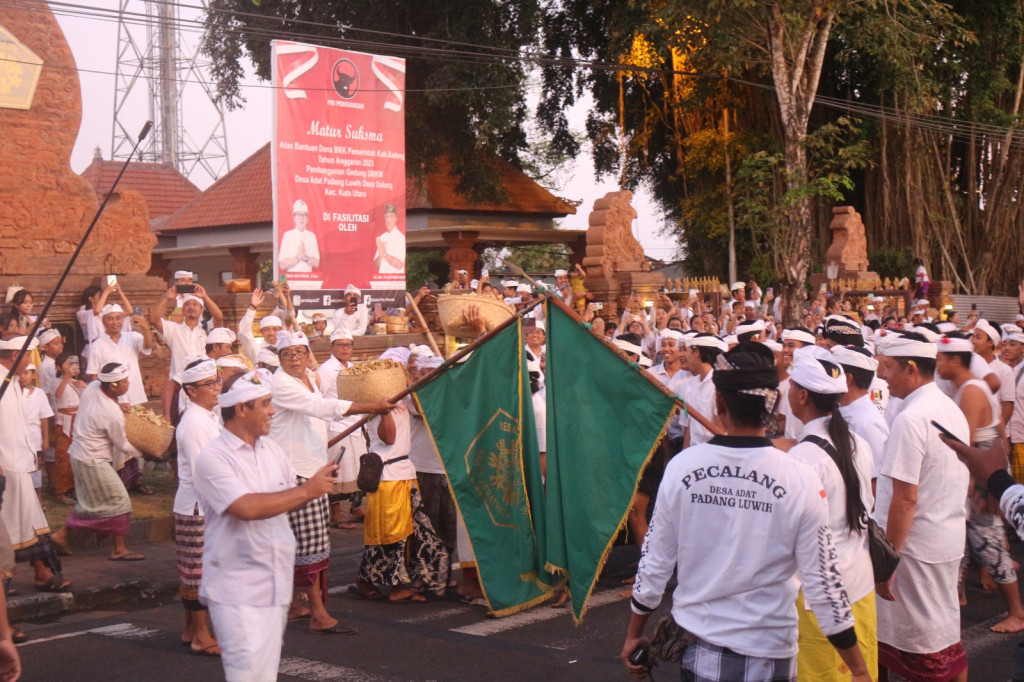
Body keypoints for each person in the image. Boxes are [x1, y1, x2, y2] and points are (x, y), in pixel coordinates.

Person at [622, 342, 871, 682]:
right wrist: (858, 667)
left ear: (719, 401)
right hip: (771, 652)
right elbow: (824, 582)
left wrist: (635, 632)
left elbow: (655, 563)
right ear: (774, 402)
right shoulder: (799, 477)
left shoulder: (682, 468)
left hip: (701, 651)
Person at [193, 369, 341, 681]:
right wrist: (306, 490)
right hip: (237, 587)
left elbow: (286, 498)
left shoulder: (273, 450)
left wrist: (314, 484)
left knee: (264, 674)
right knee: (247, 675)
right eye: (265, 404)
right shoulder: (214, 458)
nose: (273, 411)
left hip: (274, 583)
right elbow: (244, 507)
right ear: (241, 409)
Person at [269, 331, 390, 632]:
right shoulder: (282, 383)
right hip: (296, 471)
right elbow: (321, 408)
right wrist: (371, 407)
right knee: (311, 544)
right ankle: (318, 614)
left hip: (311, 465)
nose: (295, 358)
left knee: (295, 542)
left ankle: (294, 605)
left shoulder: (308, 375)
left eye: (300, 352)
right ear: (279, 358)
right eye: (288, 354)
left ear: (308, 353)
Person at [873, 331, 970, 681]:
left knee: (925, 653)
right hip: (943, 538)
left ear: (911, 368)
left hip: (914, 549)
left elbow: (905, 497)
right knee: (945, 638)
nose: (882, 376)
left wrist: (888, 560)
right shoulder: (947, 407)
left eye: (888, 367)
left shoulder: (912, 418)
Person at [787, 346, 877, 679]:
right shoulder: (857, 442)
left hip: (819, 601)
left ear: (802, 397)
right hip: (858, 584)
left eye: (793, 386)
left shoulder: (801, 460)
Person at [935, 333, 1024, 633]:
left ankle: (1017, 612)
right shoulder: (971, 387)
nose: (937, 365)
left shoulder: (972, 390)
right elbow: (997, 426)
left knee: (989, 541)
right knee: (964, 539)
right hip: (983, 472)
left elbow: (966, 441)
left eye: (941, 359)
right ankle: (958, 600)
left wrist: (974, 481)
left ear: (955, 361)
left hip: (982, 476)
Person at [351, 362, 448, 603]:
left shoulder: (403, 401)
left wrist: (412, 386)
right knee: (392, 535)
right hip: (388, 477)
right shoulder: (374, 409)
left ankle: (382, 579)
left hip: (406, 472)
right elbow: (389, 437)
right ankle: (393, 585)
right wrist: (384, 411)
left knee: (413, 531)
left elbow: (422, 412)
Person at [52, 362, 144, 561]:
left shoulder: (94, 387)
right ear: (112, 386)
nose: (128, 385)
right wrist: (144, 453)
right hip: (92, 459)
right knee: (120, 500)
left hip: (80, 454)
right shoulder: (111, 413)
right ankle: (116, 549)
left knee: (92, 503)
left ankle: (63, 536)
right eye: (125, 382)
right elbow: (122, 444)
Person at [0, 337, 70, 594]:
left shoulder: (15, 383)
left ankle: (42, 573)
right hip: (6, 464)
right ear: (17, 354)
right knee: (10, 523)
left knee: (30, 519)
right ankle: (6, 579)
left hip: (21, 461)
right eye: (28, 356)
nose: (31, 362)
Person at [173, 359, 224, 656]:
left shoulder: (208, 416)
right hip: (199, 506)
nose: (217, 387)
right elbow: (203, 473)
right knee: (197, 573)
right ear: (192, 391)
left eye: (218, 381)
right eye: (210, 384)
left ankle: (191, 628)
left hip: (205, 504)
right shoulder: (194, 423)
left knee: (195, 569)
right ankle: (201, 636)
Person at [86, 302, 154, 494]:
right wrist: (107, 400)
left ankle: (136, 480)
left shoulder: (133, 337)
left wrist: (146, 327)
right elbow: (93, 375)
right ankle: (118, 481)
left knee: (136, 437)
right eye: (110, 318)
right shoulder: (98, 344)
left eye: (118, 318)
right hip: (112, 400)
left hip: (135, 396)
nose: (115, 322)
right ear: (103, 321)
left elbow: (148, 347)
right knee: (116, 441)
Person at [316, 328, 367, 528]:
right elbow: (318, 399)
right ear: (332, 347)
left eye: (348, 345)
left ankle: (355, 509)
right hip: (336, 427)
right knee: (337, 470)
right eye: (340, 345)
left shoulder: (353, 367)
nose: (345, 349)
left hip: (355, 426)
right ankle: (336, 515)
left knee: (356, 469)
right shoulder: (326, 370)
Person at [151, 284, 224, 422]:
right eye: (188, 304)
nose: (191, 307)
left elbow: (219, 317)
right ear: (182, 310)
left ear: (201, 310)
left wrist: (205, 297)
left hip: (204, 385)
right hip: (179, 387)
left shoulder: (206, 329)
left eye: (196, 304)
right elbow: (155, 320)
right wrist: (167, 298)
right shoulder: (174, 329)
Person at [833, 345, 890, 490]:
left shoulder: (868, 422)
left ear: (847, 379)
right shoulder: (841, 409)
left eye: (833, 373)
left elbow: (876, 481)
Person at [678, 333, 725, 448]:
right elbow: (691, 425)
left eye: (687, 351)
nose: (685, 356)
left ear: (697, 353)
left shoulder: (718, 386)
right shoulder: (693, 384)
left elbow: (721, 429)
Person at [51, 352, 84, 505]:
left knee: (76, 455)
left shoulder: (77, 382)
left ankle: (73, 488)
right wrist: (66, 379)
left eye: (72, 364)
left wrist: (83, 385)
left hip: (77, 421)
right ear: (59, 367)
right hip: (64, 422)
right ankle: (61, 490)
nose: (71, 367)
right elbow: (58, 395)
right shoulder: (56, 381)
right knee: (63, 456)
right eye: (67, 364)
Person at [19, 365, 52, 509]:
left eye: (26, 373)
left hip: (34, 436)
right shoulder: (11, 392)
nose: (22, 377)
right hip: (17, 436)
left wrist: (45, 439)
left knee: (35, 468)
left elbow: (44, 418)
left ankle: (38, 498)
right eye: (20, 373)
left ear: (33, 375)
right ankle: (22, 500)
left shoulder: (39, 393)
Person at [278, 199, 320, 272]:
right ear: (294, 218)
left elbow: (316, 262)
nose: (301, 218)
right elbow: (282, 264)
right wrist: (297, 258)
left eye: (304, 215)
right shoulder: (287, 236)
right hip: (292, 281)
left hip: (308, 280)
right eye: (298, 215)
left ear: (307, 218)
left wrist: (305, 258)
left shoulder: (311, 236)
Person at [373, 203, 405, 274]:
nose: (389, 220)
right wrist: (380, 255)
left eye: (391, 216)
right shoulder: (381, 237)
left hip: (394, 282)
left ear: (395, 218)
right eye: (387, 217)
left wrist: (384, 253)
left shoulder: (400, 237)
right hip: (382, 281)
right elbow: (375, 266)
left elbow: (399, 265)